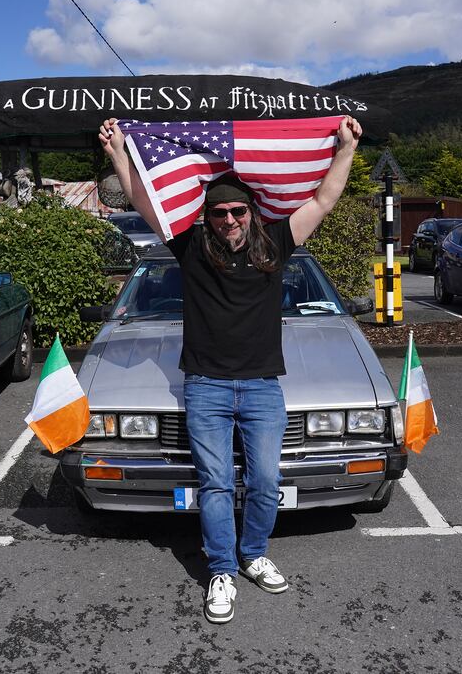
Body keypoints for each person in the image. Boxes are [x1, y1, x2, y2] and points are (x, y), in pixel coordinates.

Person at [99, 115, 362, 624]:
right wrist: (118, 153)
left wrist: (346, 148)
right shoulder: (191, 247)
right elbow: (142, 200)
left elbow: (323, 200)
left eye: (237, 211)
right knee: (216, 483)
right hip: (206, 388)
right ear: (209, 215)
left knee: (265, 479)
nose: (228, 221)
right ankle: (222, 569)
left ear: (251, 211)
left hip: (263, 386)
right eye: (219, 213)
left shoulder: (276, 244)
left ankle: (255, 553)